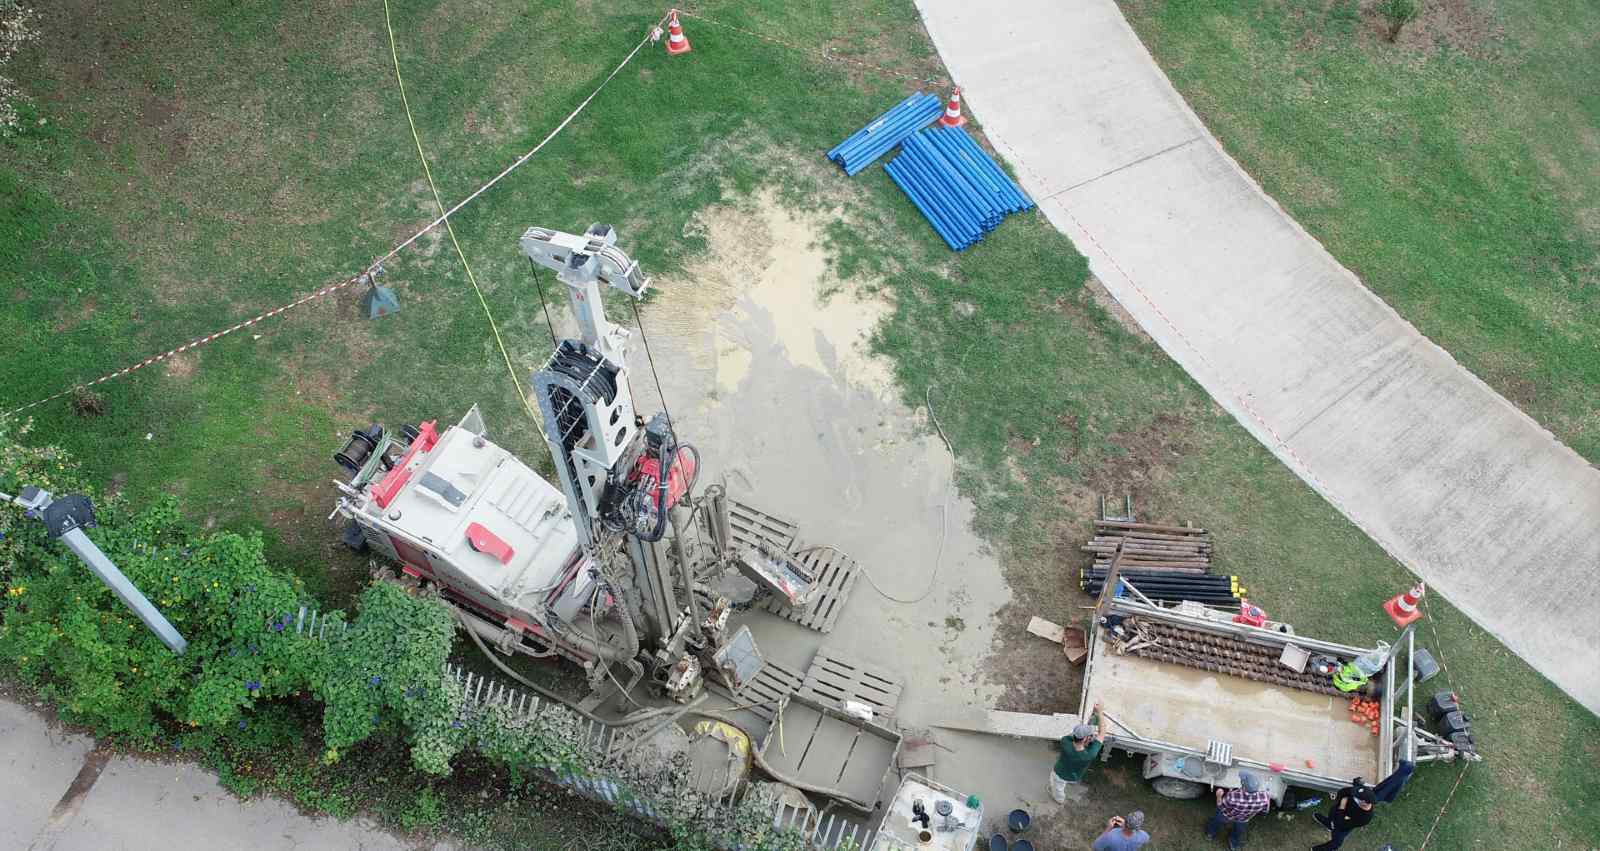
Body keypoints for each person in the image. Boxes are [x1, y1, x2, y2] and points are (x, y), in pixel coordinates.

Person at [1050, 701, 1106, 804]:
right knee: (1069, 781)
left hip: (1060, 773)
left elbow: (1076, 736)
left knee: (1057, 788)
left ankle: (1059, 799)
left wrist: (1094, 715)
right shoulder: (1089, 754)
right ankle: (1065, 790)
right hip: (1075, 776)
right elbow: (1102, 733)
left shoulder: (1065, 742)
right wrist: (1100, 713)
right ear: (1085, 739)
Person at [1205, 771, 1270, 849]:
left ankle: (1210, 834)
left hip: (1227, 815)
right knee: (1238, 831)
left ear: (1243, 786)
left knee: (1216, 821)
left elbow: (1221, 807)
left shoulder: (1232, 796)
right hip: (1244, 819)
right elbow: (1264, 811)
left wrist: (1219, 795)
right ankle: (1233, 844)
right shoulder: (1265, 797)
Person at [1312, 779, 1377, 850]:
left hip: (1342, 826)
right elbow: (1355, 785)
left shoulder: (1364, 818)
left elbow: (1341, 824)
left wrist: (1342, 806)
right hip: (1336, 812)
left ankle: (1323, 849)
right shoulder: (1362, 792)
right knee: (1331, 820)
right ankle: (1329, 824)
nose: (1353, 795)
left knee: (1336, 841)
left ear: (1364, 803)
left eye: (1356, 796)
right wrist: (1357, 781)